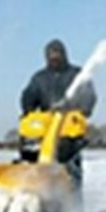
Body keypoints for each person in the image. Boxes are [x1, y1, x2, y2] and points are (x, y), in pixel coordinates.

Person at [19, 39, 97, 189]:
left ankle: (72, 201)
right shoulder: (39, 78)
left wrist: (84, 108)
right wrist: (27, 107)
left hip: (68, 127)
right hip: (45, 126)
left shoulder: (76, 74)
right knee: (30, 151)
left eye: (57, 53)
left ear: (64, 54)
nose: (54, 57)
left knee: (69, 161)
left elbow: (89, 94)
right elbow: (29, 94)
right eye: (51, 54)